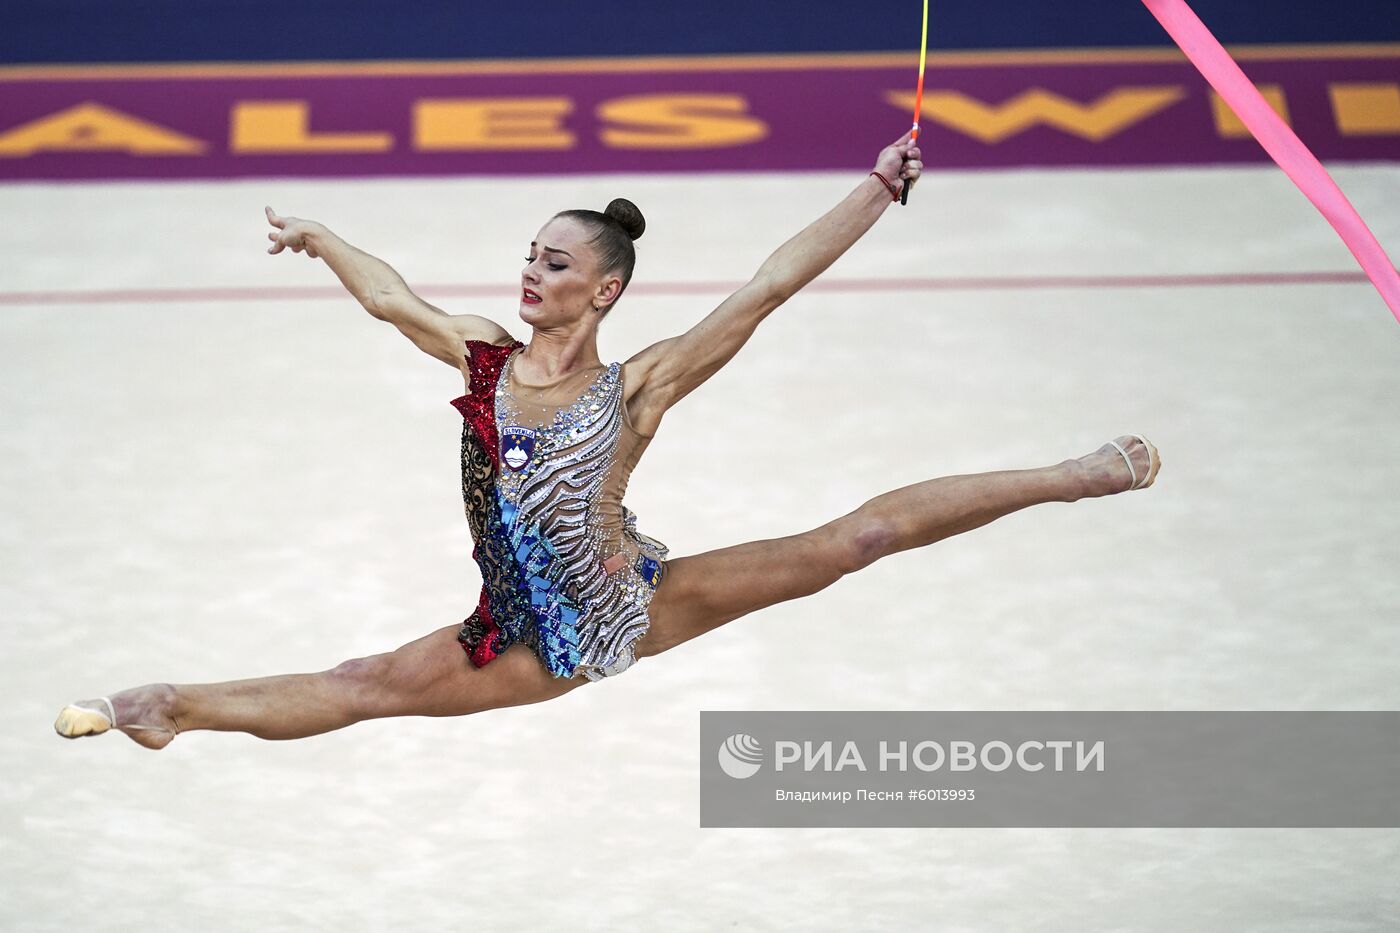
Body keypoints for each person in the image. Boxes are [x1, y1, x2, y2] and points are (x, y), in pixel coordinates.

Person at [54, 131, 1160, 749]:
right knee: (362, 684)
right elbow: (394, 301)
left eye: (555, 265)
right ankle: (167, 707)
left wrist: (873, 187)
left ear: (605, 289)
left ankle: (1077, 476)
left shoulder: (635, 388)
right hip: (522, 635)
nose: (529, 273)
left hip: (635, 594)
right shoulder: (483, 357)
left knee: (853, 541)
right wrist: (322, 235)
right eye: (528, 255)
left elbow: (768, 286)